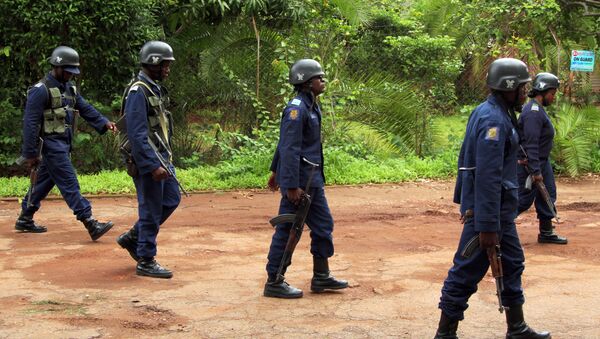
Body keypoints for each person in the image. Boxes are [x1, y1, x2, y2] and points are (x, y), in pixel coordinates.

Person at [434, 58, 550, 339]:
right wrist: (486, 225)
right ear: (508, 87)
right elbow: (487, 175)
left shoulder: (497, 112)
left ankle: (517, 327)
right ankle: (445, 334)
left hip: (500, 213)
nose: (526, 92)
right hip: (488, 216)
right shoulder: (493, 121)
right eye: (522, 87)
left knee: (512, 263)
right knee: (465, 272)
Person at [264, 59, 348, 298]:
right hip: (299, 182)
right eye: (319, 78)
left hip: (313, 179)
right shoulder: (296, 109)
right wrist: (289, 184)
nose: (323, 81)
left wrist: (274, 171)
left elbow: (287, 144)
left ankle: (321, 276)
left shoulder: (312, 105)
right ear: (307, 82)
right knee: (289, 228)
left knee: (323, 225)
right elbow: (289, 147)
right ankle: (274, 280)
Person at [16, 46, 116, 240]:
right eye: (69, 70)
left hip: (63, 144)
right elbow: (30, 123)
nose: (71, 74)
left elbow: (85, 108)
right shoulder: (40, 90)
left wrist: (104, 123)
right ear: (57, 67)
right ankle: (90, 222)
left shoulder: (69, 89)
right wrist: (30, 153)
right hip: (51, 146)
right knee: (70, 183)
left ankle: (25, 217)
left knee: (43, 183)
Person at [116, 41, 180, 279]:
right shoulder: (138, 91)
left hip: (163, 158)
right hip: (148, 162)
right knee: (151, 208)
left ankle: (133, 237)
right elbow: (137, 133)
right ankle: (146, 259)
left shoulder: (154, 88)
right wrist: (152, 165)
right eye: (165, 65)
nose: (167, 69)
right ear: (154, 62)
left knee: (171, 199)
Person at [517, 72, 567, 245]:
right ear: (543, 91)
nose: (553, 97)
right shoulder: (532, 112)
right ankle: (496, 226)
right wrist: (535, 170)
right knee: (522, 200)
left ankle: (546, 233)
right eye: (552, 93)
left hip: (541, 162)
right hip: (530, 164)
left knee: (548, 196)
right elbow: (531, 143)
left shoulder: (538, 110)